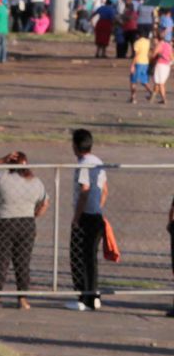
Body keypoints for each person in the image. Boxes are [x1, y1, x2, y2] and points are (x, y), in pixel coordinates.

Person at [0, 152, 47, 309]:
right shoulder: (35, 182)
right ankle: (22, 298)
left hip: (3, 222)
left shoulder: (2, 177)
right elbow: (44, 203)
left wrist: (2, 159)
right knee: (23, 262)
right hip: (26, 223)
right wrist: (33, 215)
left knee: (0, 262)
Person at [68, 127, 108, 312]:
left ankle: (84, 296)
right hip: (97, 215)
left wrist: (77, 218)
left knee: (79, 256)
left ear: (76, 146)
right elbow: (105, 190)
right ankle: (93, 295)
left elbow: (84, 190)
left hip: (86, 216)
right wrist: (98, 206)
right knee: (90, 258)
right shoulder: (98, 162)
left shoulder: (83, 164)